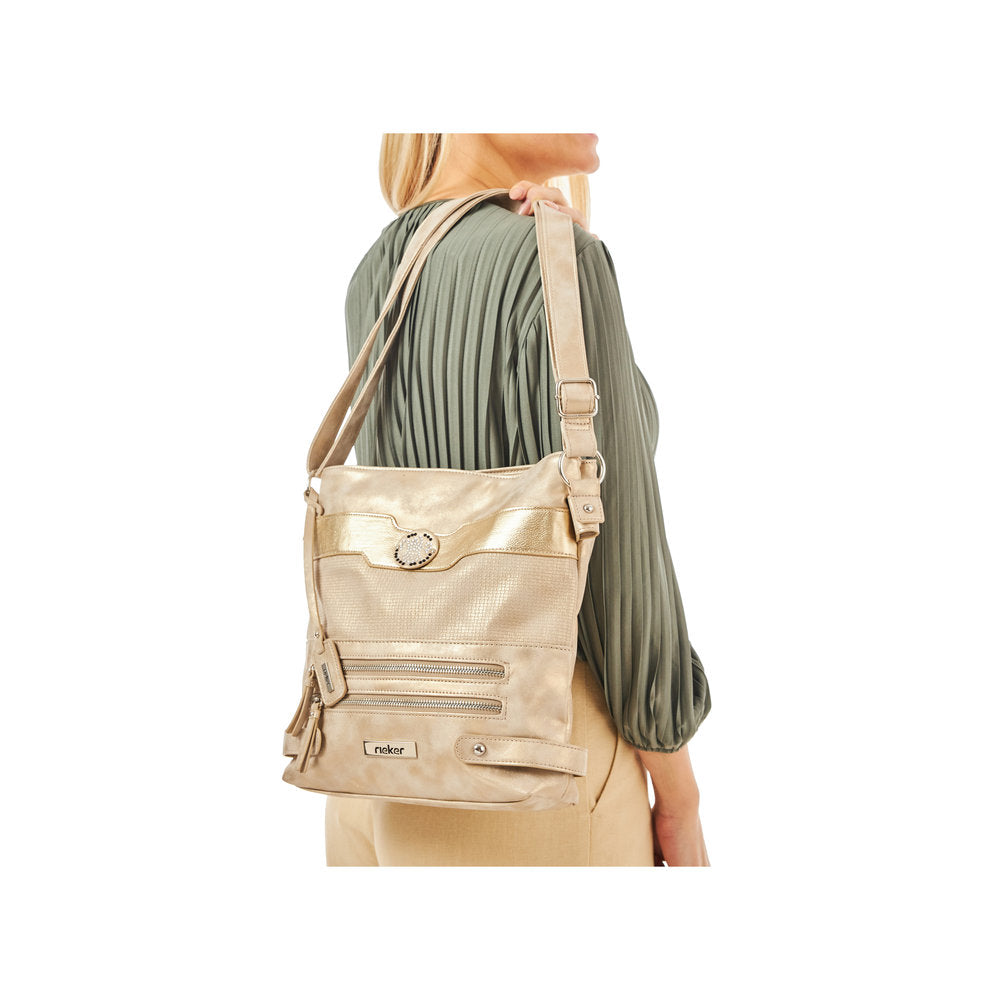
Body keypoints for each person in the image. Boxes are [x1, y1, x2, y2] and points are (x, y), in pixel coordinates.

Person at [323, 133, 712, 866]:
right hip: (535, 771)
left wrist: (569, 274)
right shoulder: (553, 261)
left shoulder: (378, 268)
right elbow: (623, 576)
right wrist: (681, 802)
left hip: (374, 761)